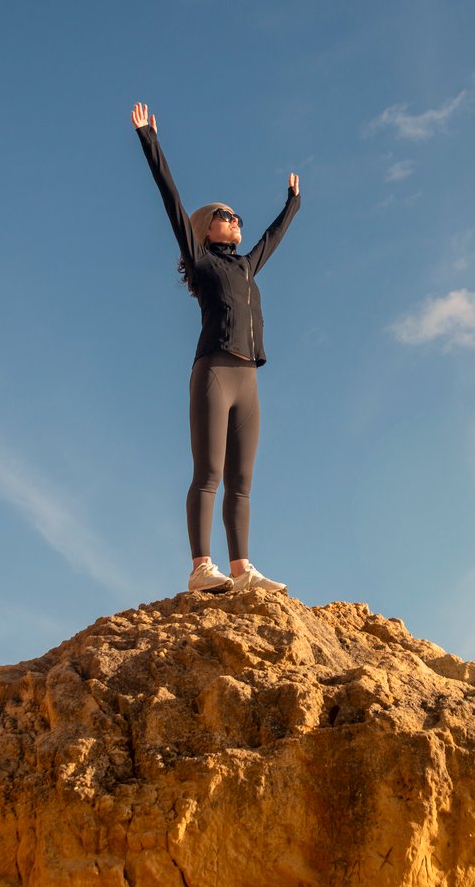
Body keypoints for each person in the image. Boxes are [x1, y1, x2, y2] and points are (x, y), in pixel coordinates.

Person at [130, 102, 301, 595]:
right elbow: (169, 197)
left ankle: (243, 569)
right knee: (207, 473)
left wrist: (292, 203)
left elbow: (273, 237)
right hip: (213, 372)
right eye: (227, 216)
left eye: (238, 217)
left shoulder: (246, 267)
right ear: (206, 226)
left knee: (242, 480)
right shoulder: (201, 260)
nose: (236, 221)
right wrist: (149, 140)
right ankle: (201, 568)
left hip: (248, 380)